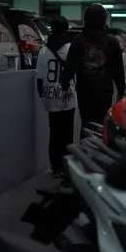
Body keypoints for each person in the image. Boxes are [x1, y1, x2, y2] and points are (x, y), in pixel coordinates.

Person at [60, 3, 125, 135]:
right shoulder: (111, 41)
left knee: (86, 124)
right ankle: (100, 152)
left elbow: (70, 65)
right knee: (102, 125)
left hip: (84, 91)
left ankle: (85, 151)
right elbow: (118, 69)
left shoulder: (78, 40)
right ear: (104, 19)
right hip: (105, 91)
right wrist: (121, 90)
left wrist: (65, 85)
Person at [36, 15, 75, 178]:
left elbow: (39, 76)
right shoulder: (71, 48)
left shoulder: (44, 50)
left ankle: (55, 167)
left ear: (51, 29)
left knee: (55, 133)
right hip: (68, 94)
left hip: (51, 96)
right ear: (66, 29)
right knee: (67, 134)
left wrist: (43, 96)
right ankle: (67, 166)